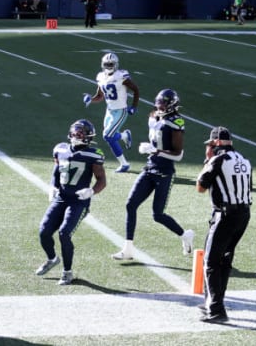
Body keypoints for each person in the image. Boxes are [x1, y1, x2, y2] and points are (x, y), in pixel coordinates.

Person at [112, 89, 194, 260]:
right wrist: (150, 149)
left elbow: (178, 155)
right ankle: (128, 249)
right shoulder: (153, 116)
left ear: (172, 104)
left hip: (165, 172)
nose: (159, 105)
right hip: (150, 167)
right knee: (130, 204)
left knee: (158, 215)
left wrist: (155, 150)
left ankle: (185, 235)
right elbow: (156, 140)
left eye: (163, 103)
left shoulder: (176, 122)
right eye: (159, 102)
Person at [36, 119, 106, 285]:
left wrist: (91, 191)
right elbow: (56, 170)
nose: (76, 134)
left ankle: (67, 272)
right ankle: (52, 259)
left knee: (64, 233)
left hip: (78, 201)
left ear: (88, 135)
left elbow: (102, 180)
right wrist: (53, 186)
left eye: (80, 132)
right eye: (75, 131)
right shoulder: (60, 149)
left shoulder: (93, 154)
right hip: (61, 197)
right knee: (44, 231)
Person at [196, 126, 252, 324]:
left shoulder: (217, 160)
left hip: (225, 215)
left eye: (210, 144)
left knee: (211, 262)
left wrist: (207, 159)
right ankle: (213, 302)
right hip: (244, 214)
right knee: (225, 260)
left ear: (216, 143)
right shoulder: (244, 160)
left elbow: (200, 187)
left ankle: (217, 309)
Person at [83, 52, 139, 173]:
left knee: (107, 135)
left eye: (111, 64)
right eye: (107, 64)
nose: (109, 66)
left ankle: (124, 164)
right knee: (110, 137)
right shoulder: (101, 77)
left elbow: (136, 90)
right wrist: (90, 99)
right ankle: (124, 136)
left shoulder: (121, 76)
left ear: (116, 64)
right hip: (109, 111)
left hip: (121, 110)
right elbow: (99, 96)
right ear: (103, 64)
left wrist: (134, 106)